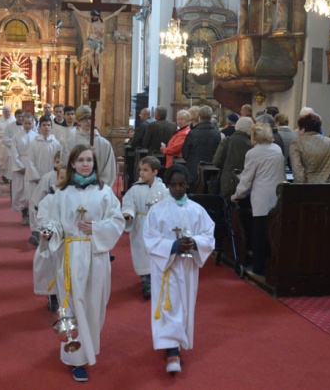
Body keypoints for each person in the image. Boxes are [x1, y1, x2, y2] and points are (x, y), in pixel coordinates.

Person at [40, 144, 125, 383]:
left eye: (89, 160)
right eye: (81, 160)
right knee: (74, 305)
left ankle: (89, 345)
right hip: (71, 254)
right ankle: (75, 357)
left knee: (95, 303)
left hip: (96, 253)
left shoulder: (105, 192)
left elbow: (117, 221)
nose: (86, 164)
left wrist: (98, 228)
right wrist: (50, 232)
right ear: (73, 164)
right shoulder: (62, 193)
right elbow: (55, 222)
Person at [143, 164, 215, 374]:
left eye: (181, 184)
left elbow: (209, 235)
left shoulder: (196, 210)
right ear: (167, 185)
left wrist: (194, 243)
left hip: (187, 266)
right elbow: (149, 237)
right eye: (173, 185)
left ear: (187, 185)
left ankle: (178, 340)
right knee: (168, 304)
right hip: (166, 266)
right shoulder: (158, 210)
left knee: (183, 305)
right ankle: (172, 349)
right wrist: (172, 246)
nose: (177, 188)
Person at [231, 123, 286, 276]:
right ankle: (272, 263)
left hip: (261, 196)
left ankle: (258, 266)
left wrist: (237, 194)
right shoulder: (277, 149)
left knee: (259, 232)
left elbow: (247, 178)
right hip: (278, 194)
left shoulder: (253, 153)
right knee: (272, 231)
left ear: (254, 136)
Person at [122, 156, 167, 299]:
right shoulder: (135, 189)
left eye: (145, 170)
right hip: (140, 223)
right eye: (140, 169)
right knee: (142, 251)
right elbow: (129, 202)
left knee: (155, 252)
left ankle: (156, 279)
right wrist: (128, 213)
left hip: (157, 225)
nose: (141, 173)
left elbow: (168, 206)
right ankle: (146, 282)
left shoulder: (162, 189)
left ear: (155, 172)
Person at [32, 160, 64, 310]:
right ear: (57, 179)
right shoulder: (49, 199)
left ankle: (66, 296)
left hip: (68, 240)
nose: (65, 182)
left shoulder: (74, 197)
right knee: (51, 267)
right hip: (52, 239)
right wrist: (47, 230)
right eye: (62, 178)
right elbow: (42, 217)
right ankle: (52, 295)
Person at [60, 105, 117, 188]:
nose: (88, 121)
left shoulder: (104, 144)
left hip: (98, 188)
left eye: (90, 118)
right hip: (74, 187)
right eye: (84, 119)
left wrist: (102, 186)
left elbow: (109, 169)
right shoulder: (69, 142)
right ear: (78, 121)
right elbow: (64, 165)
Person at [26, 115, 62, 243]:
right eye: (44, 125)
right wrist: (37, 177)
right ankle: (35, 231)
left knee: (49, 205)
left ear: (51, 127)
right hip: (37, 179)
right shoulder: (34, 143)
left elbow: (59, 161)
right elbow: (30, 161)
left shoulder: (56, 143)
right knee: (35, 203)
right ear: (39, 127)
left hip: (52, 179)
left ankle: (49, 229)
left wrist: (54, 176)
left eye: (48, 125)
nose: (46, 127)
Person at [68, 3, 128, 78]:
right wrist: (73, 7)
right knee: (91, 53)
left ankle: (95, 68)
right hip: (92, 39)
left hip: (99, 40)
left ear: (97, 16)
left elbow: (113, 15)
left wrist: (121, 9)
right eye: (93, 16)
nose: (94, 18)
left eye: (95, 16)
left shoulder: (102, 21)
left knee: (97, 54)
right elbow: (81, 14)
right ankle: (93, 68)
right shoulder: (90, 20)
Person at [290, 113, 330, 183]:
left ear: (302, 128)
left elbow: (297, 171)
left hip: (308, 189)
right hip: (329, 188)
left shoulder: (296, 143)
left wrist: (301, 187)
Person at [213, 116, 254, 196]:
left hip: (228, 181)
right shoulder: (252, 144)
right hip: (246, 182)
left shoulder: (227, 141)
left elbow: (216, 162)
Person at [9, 113, 38, 225]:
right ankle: (24, 215)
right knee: (20, 192)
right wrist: (20, 166)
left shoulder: (36, 136)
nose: (27, 125)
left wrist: (32, 168)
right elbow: (14, 152)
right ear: (22, 123)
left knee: (31, 191)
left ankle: (32, 216)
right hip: (20, 166)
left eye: (30, 123)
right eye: (25, 123)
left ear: (33, 124)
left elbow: (36, 153)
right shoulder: (16, 136)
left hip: (32, 166)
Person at [181, 106, 221, 186]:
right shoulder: (217, 133)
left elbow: (185, 152)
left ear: (199, 117)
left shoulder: (193, 133)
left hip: (194, 169)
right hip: (211, 170)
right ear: (211, 117)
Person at [0, 106, 15, 183]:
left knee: (11, 161)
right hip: (2, 143)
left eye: (8, 111)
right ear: (3, 112)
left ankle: (11, 177)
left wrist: (8, 136)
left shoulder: (14, 120)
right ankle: (4, 177)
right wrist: (5, 135)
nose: (7, 113)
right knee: (3, 161)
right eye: (5, 111)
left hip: (11, 143)